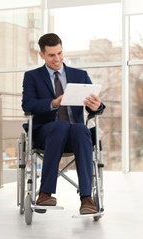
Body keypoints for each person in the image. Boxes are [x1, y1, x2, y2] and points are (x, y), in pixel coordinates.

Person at [21, 33, 105, 214]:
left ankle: (87, 198)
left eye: (60, 53)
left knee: (82, 129)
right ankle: (45, 193)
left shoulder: (80, 75)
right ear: (41, 55)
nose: (57, 59)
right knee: (60, 126)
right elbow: (27, 105)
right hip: (47, 133)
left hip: (75, 134)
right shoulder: (32, 77)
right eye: (51, 55)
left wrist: (97, 106)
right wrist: (53, 103)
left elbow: (94, 107)